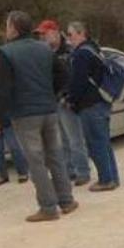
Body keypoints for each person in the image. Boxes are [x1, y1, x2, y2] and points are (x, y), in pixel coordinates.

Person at [0, 10, 78, 222]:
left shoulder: (5, 52)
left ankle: (48, 208)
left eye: (7, 25)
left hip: (25, 114)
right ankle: (67, 200)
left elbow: (3, 90)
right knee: (55, 156)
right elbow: (64, 74)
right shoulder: (44, 48)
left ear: (13, 28)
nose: (5, 29)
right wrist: (52, 93)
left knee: (36, 161)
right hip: (49, 110)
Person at [66, 21, 120, 192]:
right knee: (104, 142)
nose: (69, 38)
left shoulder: (81, 54)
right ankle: (113, 177)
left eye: (70, 34)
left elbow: (78, 81)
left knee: (95, 143)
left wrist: (71, 100)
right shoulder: (94, 49)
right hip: (102, 102)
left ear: (81, 33)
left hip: (90, 104)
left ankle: (105, 180)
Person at [36, 19, 91, 187]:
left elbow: (74, 77)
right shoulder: (45, 53)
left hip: (67, 101)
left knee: (75, 138)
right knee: (62, 140)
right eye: (40, 35)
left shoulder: (70, 50)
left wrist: (68, 97)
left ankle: (83, 171)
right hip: (52, 102)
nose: (42, 38)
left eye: (44, 34)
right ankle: (69, 171)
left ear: (54, 32)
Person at [0, 48, 29, 186]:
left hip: (7, 117)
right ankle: (2, 175)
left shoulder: (2, 75)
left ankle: (23, 172)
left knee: (14, 146)